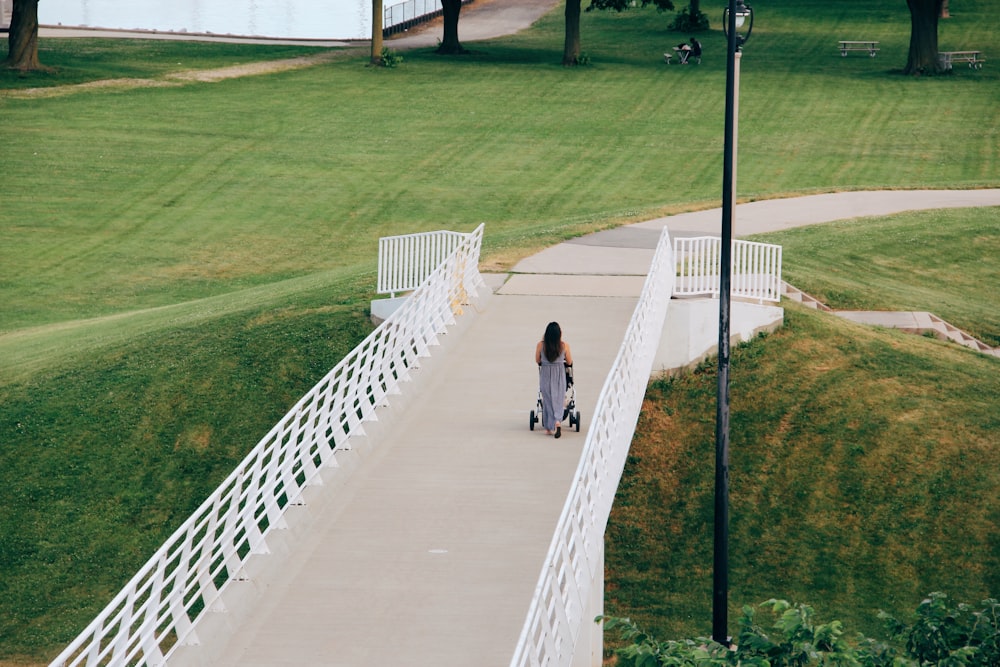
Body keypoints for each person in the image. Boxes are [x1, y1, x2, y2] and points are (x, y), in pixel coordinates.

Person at [535, 322, 573, 438]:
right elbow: (570, 362)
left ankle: (549, 427)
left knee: (547, 399)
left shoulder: (540, 345)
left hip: (546, 373)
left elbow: (537, 360)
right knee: (558, 397)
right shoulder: (564, 346)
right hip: (559, 375)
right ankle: (557, 421)